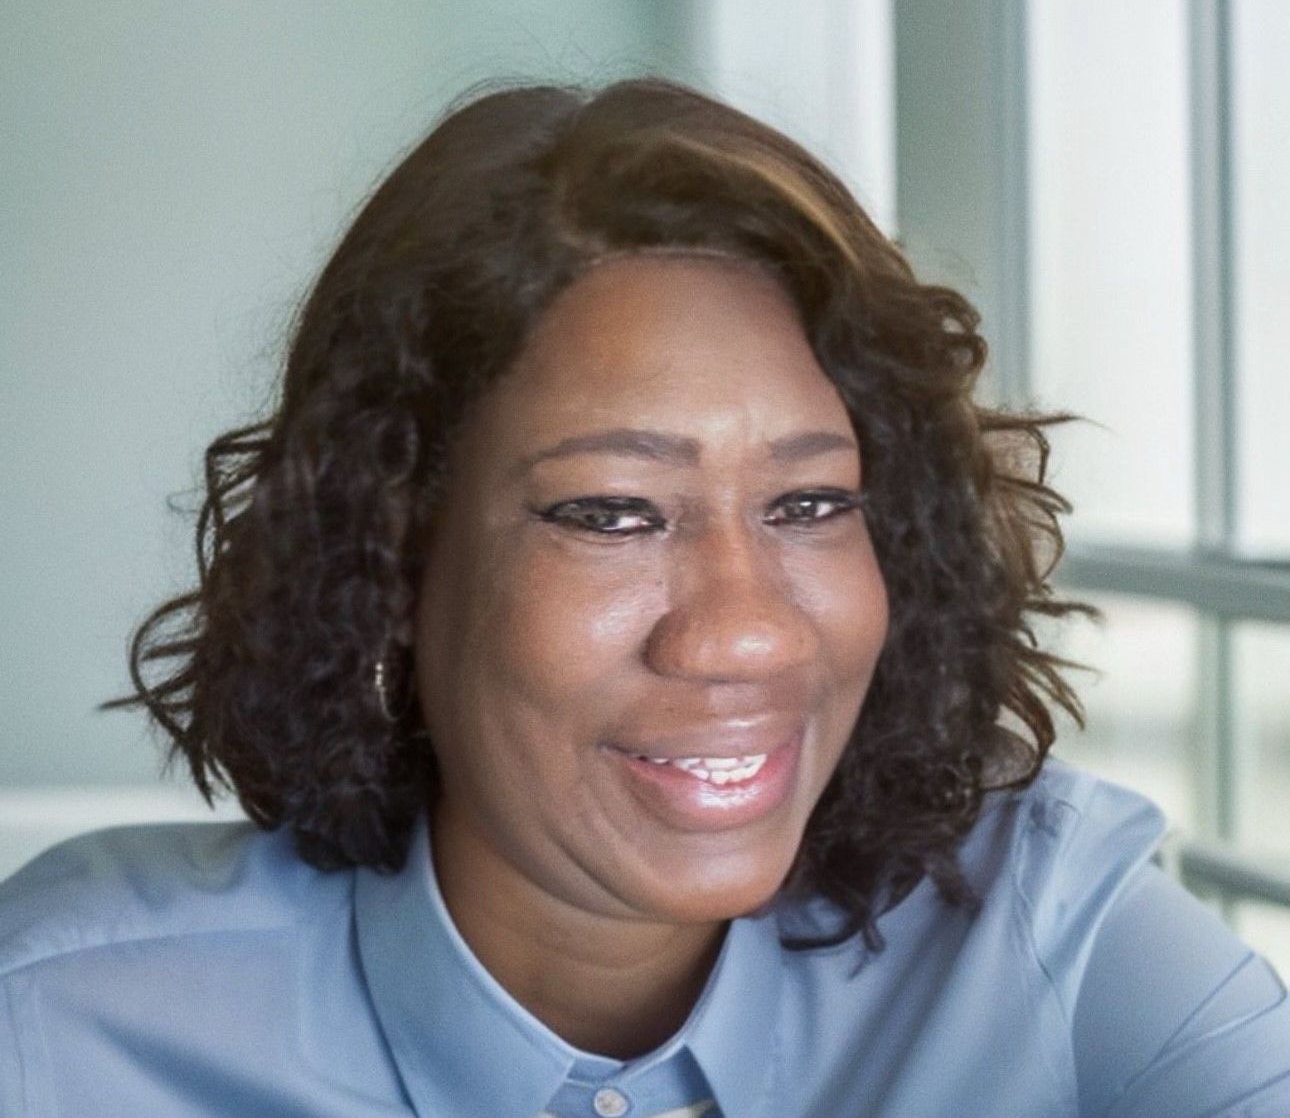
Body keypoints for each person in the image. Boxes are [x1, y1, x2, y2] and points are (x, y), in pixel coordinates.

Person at [1, 78, 1287, 1117]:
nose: (745, 629)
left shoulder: (1050, 928)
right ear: (392, 559)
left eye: (810, 505)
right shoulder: (60, 1034)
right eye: (612, 514)